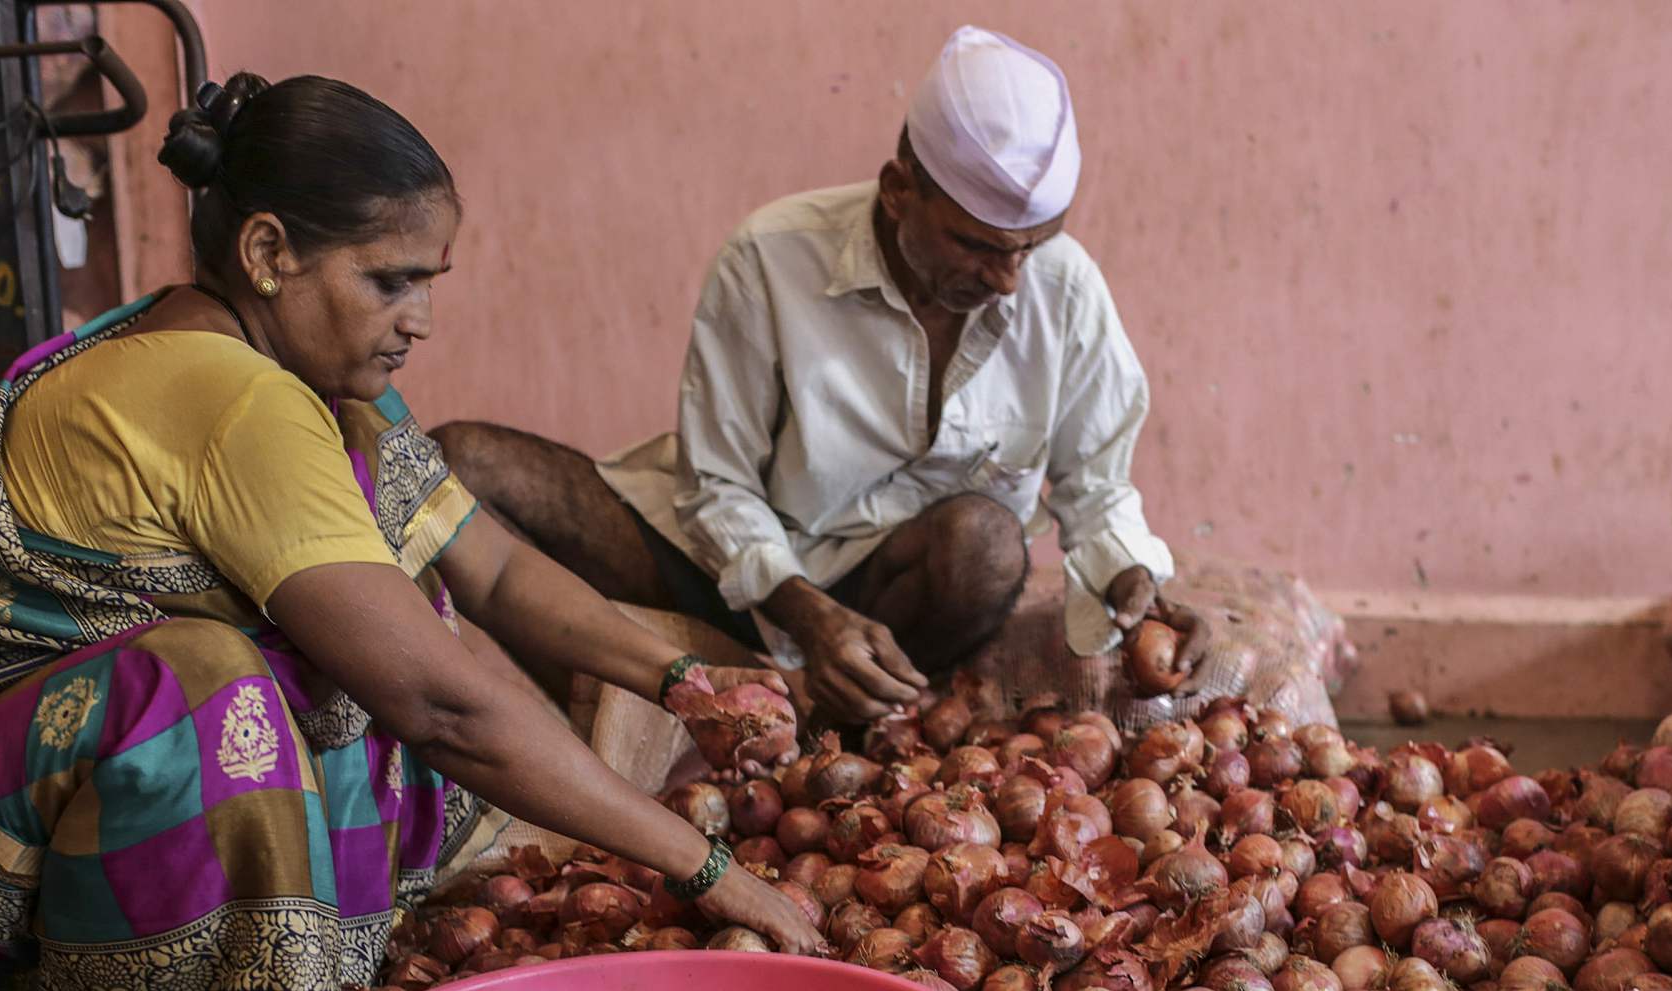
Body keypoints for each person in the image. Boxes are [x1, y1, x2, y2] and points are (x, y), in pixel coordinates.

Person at [0, 73, 824, 991]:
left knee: (392, 609)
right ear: (269, 254)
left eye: (428, 282)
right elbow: (444, 710)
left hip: (15, 792)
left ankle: (263, 958)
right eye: (390, 281)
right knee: (209, 687)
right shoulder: (230, 397)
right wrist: (705, 868)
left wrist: (683, 682)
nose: (422, 319)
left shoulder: (311, 383)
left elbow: (493, 571)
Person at [436, 25, 1211, 729]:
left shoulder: (1064, 288)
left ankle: (852, 711)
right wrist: (807, 617)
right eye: (978, 247)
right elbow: (716, 489)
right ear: (899, 190)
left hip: (899, 600)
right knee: (457, 463)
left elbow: (1096, 486)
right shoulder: (770, 258)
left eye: (1030, 248)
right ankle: (601, 719)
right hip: (743, 569)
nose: (1009, 278)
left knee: (987, 542)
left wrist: (1133, 581)